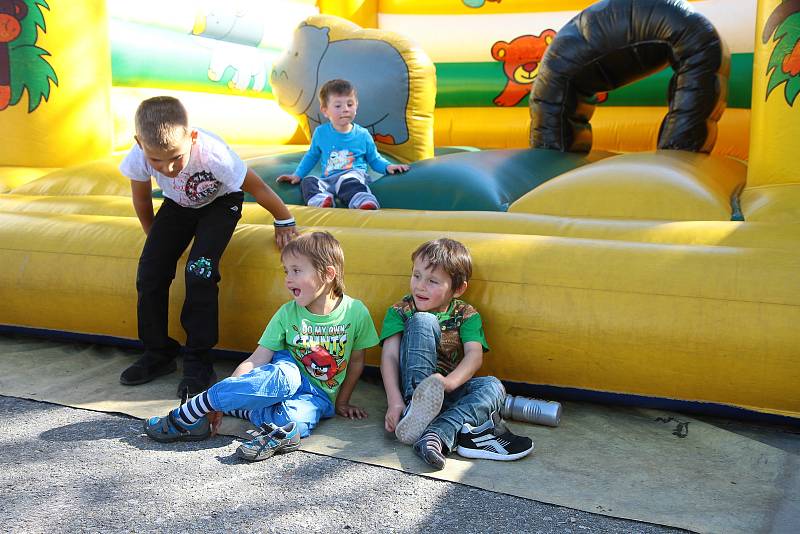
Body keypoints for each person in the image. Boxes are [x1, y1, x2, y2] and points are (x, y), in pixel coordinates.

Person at [119, 95, 299, 398]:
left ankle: (198, 360)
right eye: (157, 162)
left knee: (199, 273)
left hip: (220, 203)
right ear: (139, 143)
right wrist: (158, 244)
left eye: (176, 157)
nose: (169, 168)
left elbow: (256, 187)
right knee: (150, 272)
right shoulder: (139, 155)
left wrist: (284, 219)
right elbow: (141, 200)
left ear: (192, 137)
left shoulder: (214, 154)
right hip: (177, 205)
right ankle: (158, 352)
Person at [143, 231, 379, 462]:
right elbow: (257, 359)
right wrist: (226, 393)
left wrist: (342, 402)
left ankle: (246, 410)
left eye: (297, 271)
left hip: (316, 395)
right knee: (284, 377)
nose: (288, 279)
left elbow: (356, 361)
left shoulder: (355, 312)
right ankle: (192, 411)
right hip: (287, 374)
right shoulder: (287, 314)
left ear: (328, 274)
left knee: (292, 422)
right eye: (286, 271)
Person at [379, 238, 533, 470]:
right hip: (413, 389)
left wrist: (448, 384)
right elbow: (389, 357)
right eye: (416, 275)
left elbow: (474, 356)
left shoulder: (466, 314)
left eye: (432, 281)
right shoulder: (401, 310)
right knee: (423, 320)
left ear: (458, 289)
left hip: (448, 390)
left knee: (492, 386)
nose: (420, 286)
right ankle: (416, 409)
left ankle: (436, 436)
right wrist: (395, 402)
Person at [277, 78, 409, 210]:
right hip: (329, 180)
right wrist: (297, 175)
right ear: (325, 110)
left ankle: (364, 201)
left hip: (353, 176)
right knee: (309, 181)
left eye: (350, 104)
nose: (345, 109)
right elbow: (311, 156)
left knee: (348, 181)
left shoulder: (362, 135)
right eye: (338, 106)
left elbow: (374, 159)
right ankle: (322, 202)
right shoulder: (321, 133)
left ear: (356, 105)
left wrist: (388, 167)